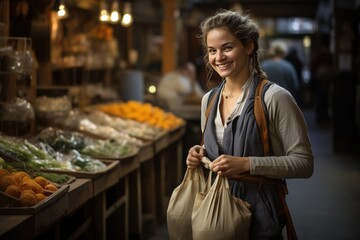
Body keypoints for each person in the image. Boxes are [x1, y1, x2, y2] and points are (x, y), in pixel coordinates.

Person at [186, 9, 314, 239]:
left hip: (260, 218)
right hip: (216, 215)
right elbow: (216, 151)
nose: (218, 57)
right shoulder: (209, 100)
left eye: (227, 47)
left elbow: (304, 163)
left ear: (249, 46)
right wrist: (199, 155)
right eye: (212, 51)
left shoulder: (274, 97)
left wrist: (247, 164)